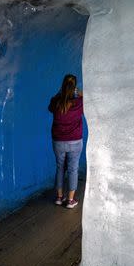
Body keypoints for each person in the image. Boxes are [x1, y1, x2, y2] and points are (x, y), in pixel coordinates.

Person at [48, 74, 84, 209]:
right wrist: (79, 93)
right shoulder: (79, 102)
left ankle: (58, 197)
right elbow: (88, 102)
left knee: (60, 168)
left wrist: (60, 93)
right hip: (75, 141)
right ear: (74, 87)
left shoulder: (56, 101)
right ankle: (70, 200)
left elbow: (50, 107)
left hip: (58, 141)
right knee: (73, 169)